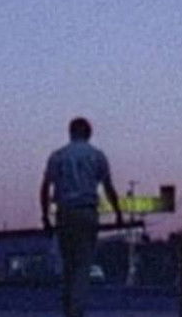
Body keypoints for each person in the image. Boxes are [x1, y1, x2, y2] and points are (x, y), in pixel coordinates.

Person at [40, 117, 122, 317]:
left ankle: (68, 307)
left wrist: (45, 217)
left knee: (68, 264)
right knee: (82, 265)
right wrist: (118, 213)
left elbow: (45, 187)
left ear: (70, 132)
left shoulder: (58, 156)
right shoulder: (97, 156)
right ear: (89, 133)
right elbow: (108, 187)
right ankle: (76, 310)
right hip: (87, 212)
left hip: (64, 213)